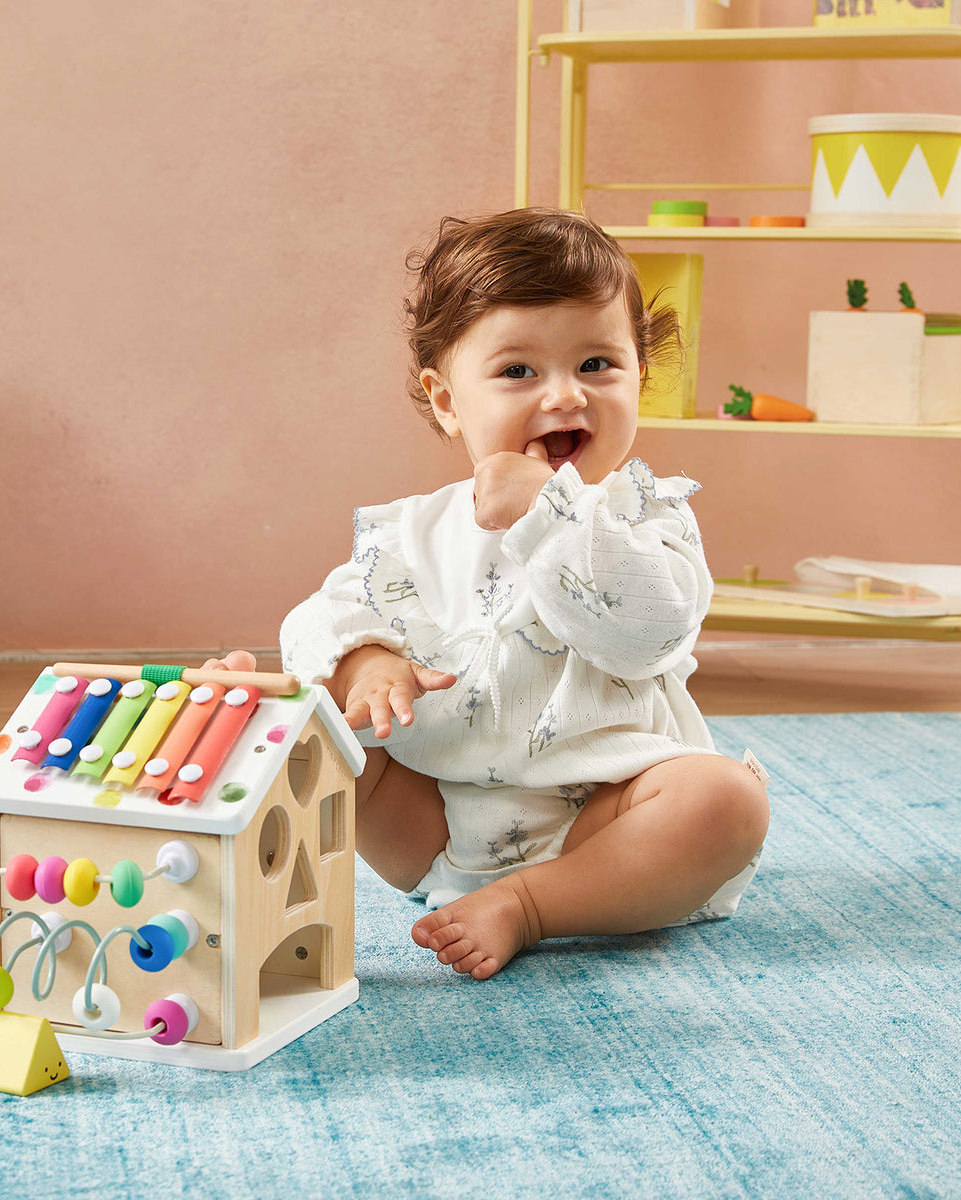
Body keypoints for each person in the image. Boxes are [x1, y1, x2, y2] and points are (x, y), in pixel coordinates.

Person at [271, 208, 769, 980]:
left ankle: (533, 904)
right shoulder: (416, 529)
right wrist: (364, 661)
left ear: (640, 373)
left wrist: (552, 513)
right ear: (447, 402)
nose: (566, 395)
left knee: (727, 800)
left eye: (597, 364)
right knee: (306, 728)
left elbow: (650, 632)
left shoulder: (644, 516)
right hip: (433, 822)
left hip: (607, 822)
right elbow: (319, 617)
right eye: (518, 372)